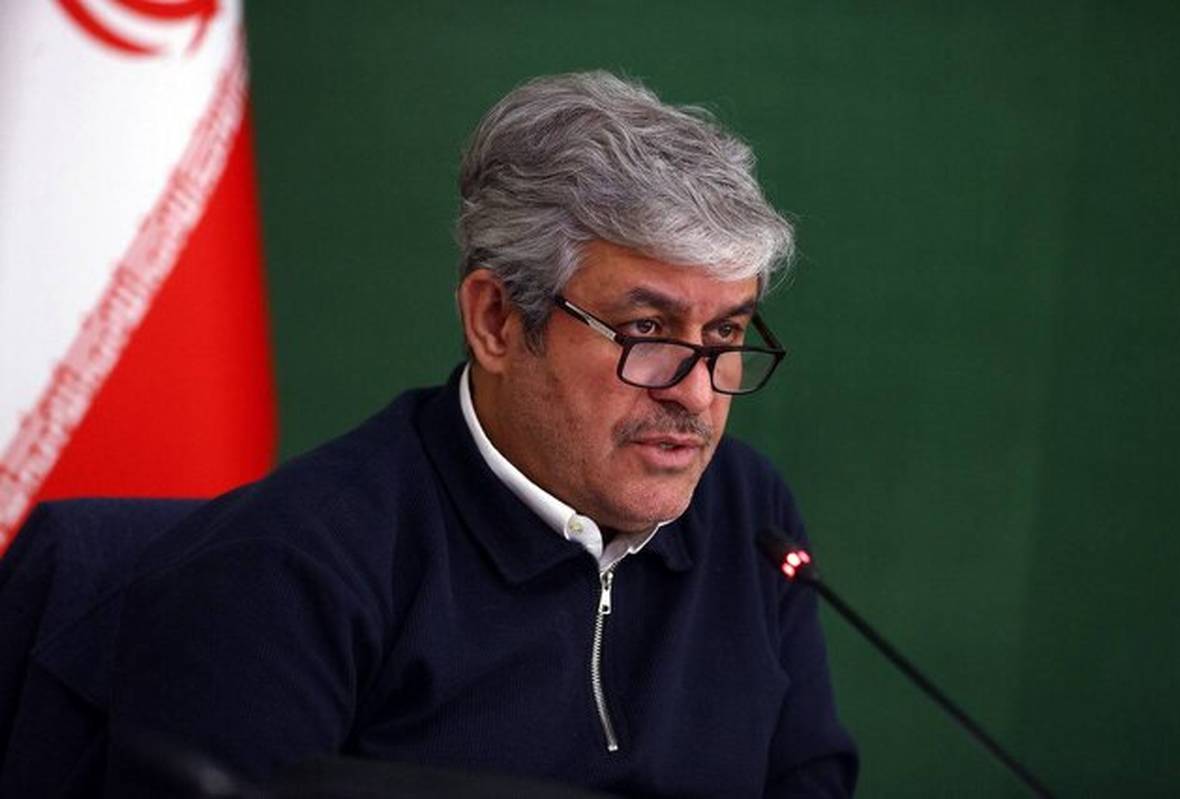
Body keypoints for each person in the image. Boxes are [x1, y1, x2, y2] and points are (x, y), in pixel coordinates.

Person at [104, 71, 858, 797]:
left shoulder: (747, 513)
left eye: (724, 333)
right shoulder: (289, 569)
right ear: (495, 321)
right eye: (645, 329)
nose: (694, 392)